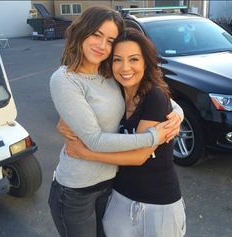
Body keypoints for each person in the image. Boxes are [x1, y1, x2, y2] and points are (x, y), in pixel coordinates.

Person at [49, 6, 183, 237]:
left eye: (110, 40)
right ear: (82, 31)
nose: (102, 45)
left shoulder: (109, 73)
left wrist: (178, 113)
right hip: (76, 190)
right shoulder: (65, 79)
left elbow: (149, 94)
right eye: (96, 34)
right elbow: (94, 140)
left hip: (111, 185)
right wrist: (154, 136)